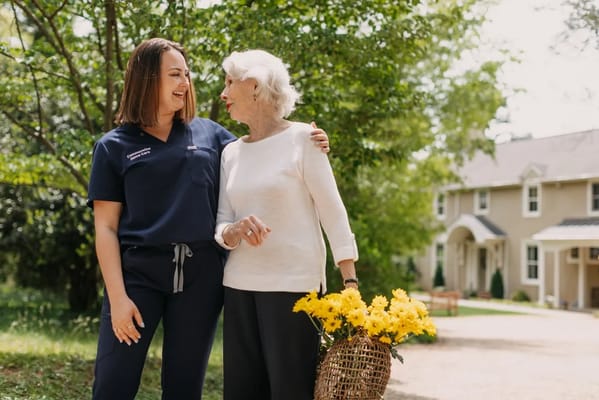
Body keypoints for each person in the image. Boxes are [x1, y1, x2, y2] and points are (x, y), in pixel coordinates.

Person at [87, 38, 330, 400]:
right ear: (146, 78)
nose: (185, 83)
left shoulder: (212, 136)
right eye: (174, 74)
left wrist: (305, 137)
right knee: (113, 385)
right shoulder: (113, 146)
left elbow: (266, 145)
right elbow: (105, 227)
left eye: (186, 74)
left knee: (184, 389)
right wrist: (118, 298)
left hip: (200, 281)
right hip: (138, 277)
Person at [214, 49, 360, 400]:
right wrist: (232, 232)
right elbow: (221, 222)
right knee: (241, 392)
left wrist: (350, 281)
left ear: (254, 86)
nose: (223, 93)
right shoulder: (230, 153)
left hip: (294, 288)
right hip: (239, 285)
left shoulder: (303, 140)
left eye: (229, 82)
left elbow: (332, 211)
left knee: (290, 391)